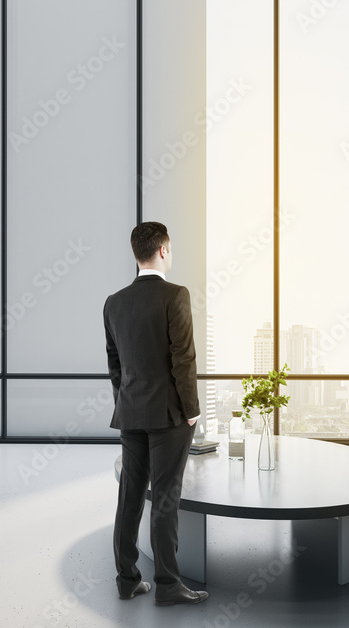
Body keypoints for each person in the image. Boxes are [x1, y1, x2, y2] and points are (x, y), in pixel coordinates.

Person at [104, 221, 208, 606]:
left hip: (130, 412)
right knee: (165, 498)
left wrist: (125, 402)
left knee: (130, 496)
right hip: (169, 416)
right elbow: (184, 359)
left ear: (136, 254)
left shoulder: (113, 302)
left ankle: (127, 580)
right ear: (163, 250)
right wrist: (192, 410)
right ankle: (167, 585)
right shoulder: (175, 295)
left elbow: (114, 365)